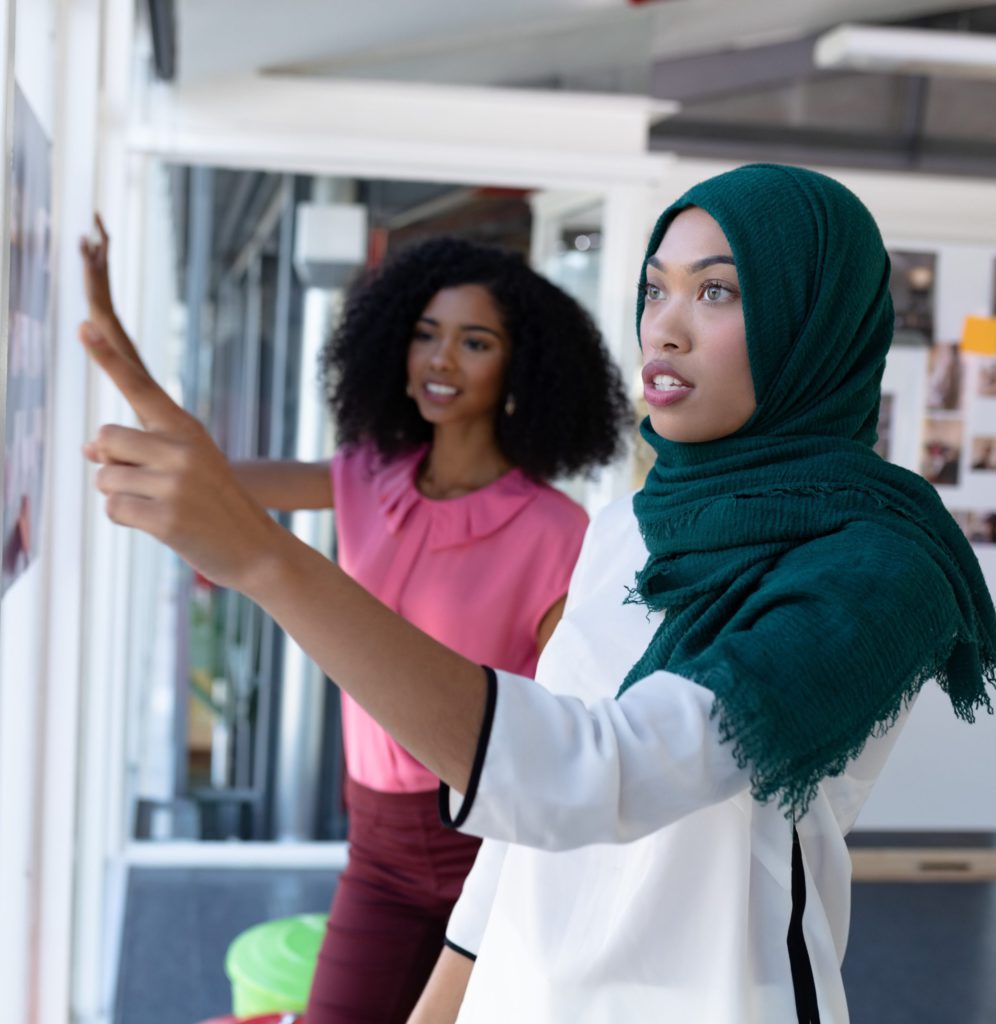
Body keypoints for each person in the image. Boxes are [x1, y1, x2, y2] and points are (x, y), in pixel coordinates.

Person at [80, 164, 996, 1023]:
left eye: (716, 290)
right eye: (655, 288)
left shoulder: (881, 569)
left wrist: (265, 563)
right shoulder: (630, 525)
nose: (664, 327)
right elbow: (520, 843)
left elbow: (596, 772)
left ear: (814, 319)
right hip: (527, 989)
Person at [80, 223, 630, 1023]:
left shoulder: (556, 533)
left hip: (493, 849)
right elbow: (207, 479)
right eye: (425, 335)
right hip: (376, 845)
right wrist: (109, 332)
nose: (441, 360)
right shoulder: (363, 477)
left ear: (520, 368)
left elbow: (559, 730)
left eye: (474, 342)